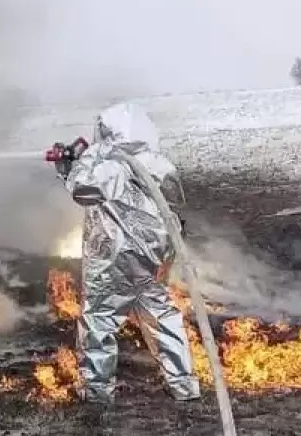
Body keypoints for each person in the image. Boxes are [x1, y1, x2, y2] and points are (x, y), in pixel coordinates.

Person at [53, 103, 201, 403]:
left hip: (116, 260)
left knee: (99, 318)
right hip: (155, 258)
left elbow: (82, 190)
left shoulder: (113, 165)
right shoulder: (158, 162)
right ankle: (184, 384)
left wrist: (76, 163)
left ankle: (96, 390)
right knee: (161, 315)